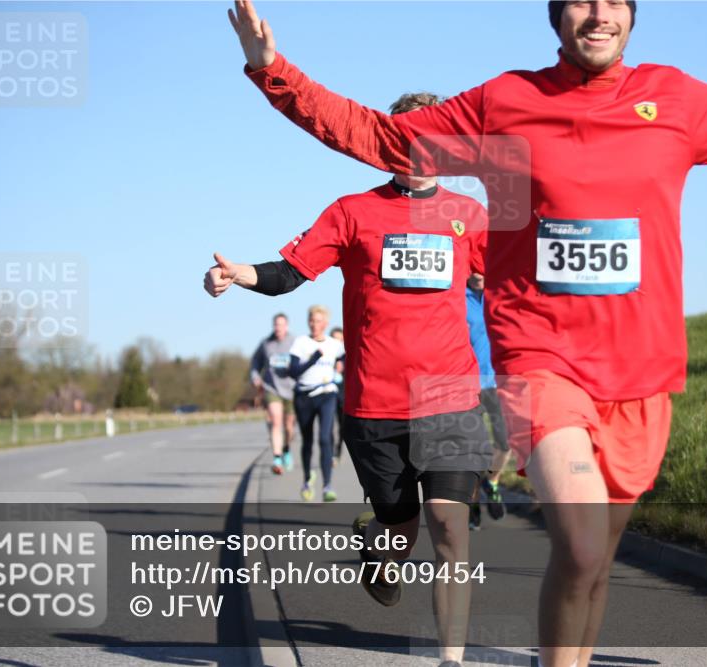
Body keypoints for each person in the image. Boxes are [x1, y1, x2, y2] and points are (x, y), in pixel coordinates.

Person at [227, 1, 707, 663]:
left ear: (631, 15)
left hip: (640, 373)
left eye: (613, 2)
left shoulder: (676, 100)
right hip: (540, 359)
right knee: (581, 537)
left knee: (595, 565)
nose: (597, 15)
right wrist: (273, 71)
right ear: (554, 15)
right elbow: (382, 137)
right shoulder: (507, 104)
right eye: (579, 1)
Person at [203, 91, 491, 667]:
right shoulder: (352, 211)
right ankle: (380, 543)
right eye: (405, 137)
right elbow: (292, 272)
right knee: (399, 523)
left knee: (450, 529)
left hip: (450, 395)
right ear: (385, 143)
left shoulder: (472, 217)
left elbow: (515, 280)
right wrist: (241, 274)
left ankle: (450, 659)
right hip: (374, 403)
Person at [288, 305, 344, 502]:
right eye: (312, 320)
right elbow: (293, 372)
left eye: (319, 321)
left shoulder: (334, 344)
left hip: (327, 393)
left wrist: (341, 365)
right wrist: (313, 359)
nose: (314, 324)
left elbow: (345, 359)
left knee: (325, 438)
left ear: (326, 323)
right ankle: (307, 478)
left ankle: (327, 485)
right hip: (304, 396)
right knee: (308, 441)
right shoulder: (301, 343)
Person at [466, 272, 510, 522]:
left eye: (483, 268)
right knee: (473, 448)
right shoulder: (458, 298)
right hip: (467, 385)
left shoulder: (500, 293)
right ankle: (472, 506)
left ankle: (491, 483)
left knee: (504, 443)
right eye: (474, 267)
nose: (479, 273)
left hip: (497, 382)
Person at [249, 313, 296, 474]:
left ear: (287, 326)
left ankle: (287, 449)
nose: (278, 328)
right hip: (272, 388)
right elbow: (255, 362)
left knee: (289, 427)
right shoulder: (266, 344)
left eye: (281, 325)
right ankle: (277, 458)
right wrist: (255, 377)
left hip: (291, 389)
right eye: (276, 325)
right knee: (276, 422)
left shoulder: (294, 342)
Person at [330, 326, 346, 466]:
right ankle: (330, 453)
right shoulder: (326, 356)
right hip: (328, 395)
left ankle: (337, 451)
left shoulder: (348, 357)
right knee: (328, 425)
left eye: (340, 340)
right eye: (335, 339)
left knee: (341, 426)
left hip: (343, 396)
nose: (338, 343)